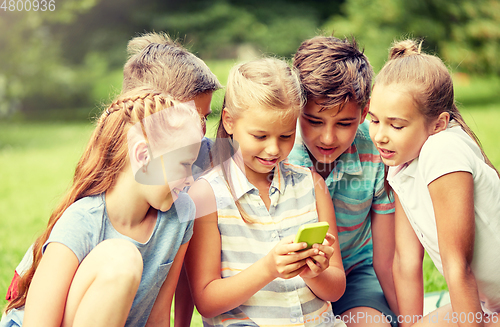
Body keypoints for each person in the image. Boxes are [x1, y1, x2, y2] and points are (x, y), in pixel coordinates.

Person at [4, 32, 221, 325]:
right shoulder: (86, 217)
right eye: (193, 116)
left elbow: (159, 314)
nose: (201, 131)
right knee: (121, 258)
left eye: (205, 119)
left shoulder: (181, 203)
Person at [184, 57, 347, 326]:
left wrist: (314, 273)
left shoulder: (311, 184)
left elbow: (336, 287)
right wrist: (268, 269)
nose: (273, 150)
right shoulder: (206, 195)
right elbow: (207, 302)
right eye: (260, 136)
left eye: (285, 136)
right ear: (229, 121)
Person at [368, 39, 500, 327]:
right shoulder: (400, 161)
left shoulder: (443, 151)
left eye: (396, 125)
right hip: (485, 304)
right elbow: (406, 261)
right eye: (374, 120)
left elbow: (458, 267)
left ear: (439, 123)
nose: (379, 135)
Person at [288, 35, 398, 327]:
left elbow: (386, 262)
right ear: (296, 108)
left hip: (355, 276)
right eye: (314, 121)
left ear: (365, 112)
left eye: (344, 124)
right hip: (289, 281)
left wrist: (406, 320)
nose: (327, 138)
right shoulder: (278, 152)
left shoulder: (376, 153)